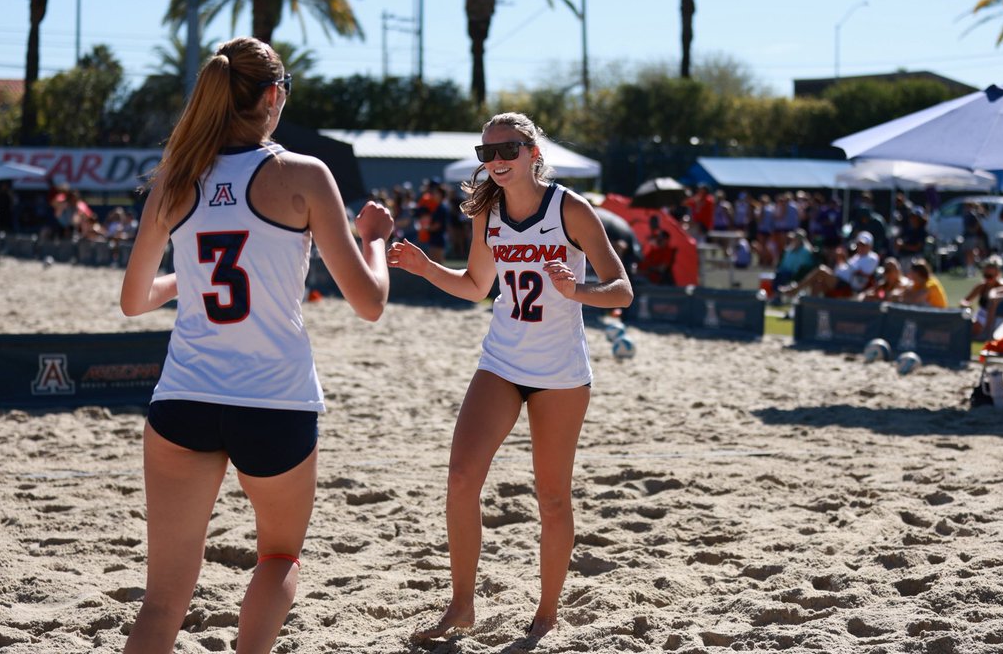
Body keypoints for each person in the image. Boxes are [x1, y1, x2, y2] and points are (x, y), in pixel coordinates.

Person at [118, 37, 393, 654]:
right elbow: (369, 303)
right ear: (272, 96)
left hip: (184, 398)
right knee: (277, 556)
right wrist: (373, 239)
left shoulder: (175, 181)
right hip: (275, 401)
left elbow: (134, 300)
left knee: (161, 603)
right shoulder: (301, 175)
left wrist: (185, 281)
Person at [387, 112, 633, 641]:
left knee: (552, 497)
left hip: (561, 373)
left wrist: (579, 293)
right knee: (459, 480)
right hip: (500, 362)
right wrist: (425, 266)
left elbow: (622, 289)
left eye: (508, 150)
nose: (496, 161)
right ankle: (461, 606)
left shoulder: (571, 207)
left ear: (533, 153)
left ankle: (546, 613)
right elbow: (478, 285)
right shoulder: (487, 211)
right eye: (487, 153)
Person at [779, 230, 879, 299]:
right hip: (841, 281)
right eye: (859, 244)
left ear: (870, 246)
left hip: (849, 285)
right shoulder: (856, 257)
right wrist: (840, 260)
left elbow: (862, 273)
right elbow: (846, 268)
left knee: (821, 270)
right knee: (817, 283)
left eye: (864, 245)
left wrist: (844, 260)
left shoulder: (872, 257)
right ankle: (811, 312)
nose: (861, 247)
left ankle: (796, 289)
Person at [961, 256, 1003, 339]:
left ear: (997, 274)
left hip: (997, 318)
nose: (987, 279)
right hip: (981, 315)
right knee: (967, 322)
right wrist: (966, 305)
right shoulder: (982, 286)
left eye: (990, 276)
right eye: (985, 276)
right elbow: (965, 300)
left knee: (974, 327)